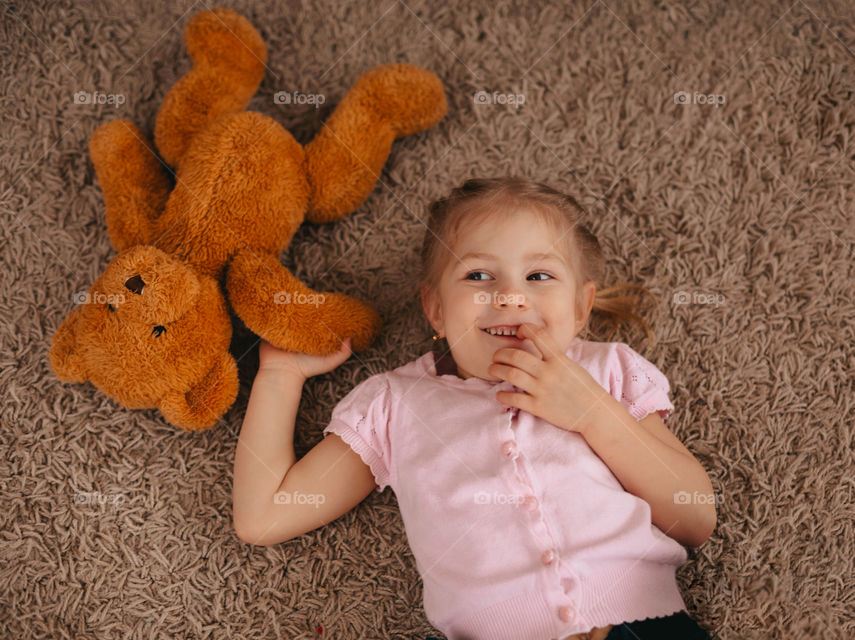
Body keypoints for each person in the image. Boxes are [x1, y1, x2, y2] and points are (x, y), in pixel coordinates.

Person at [233, 176, 716, 639]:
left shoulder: (606, 372)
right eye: (478, 275)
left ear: (579, 307)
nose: (510, 296)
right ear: (436, 309)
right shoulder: (393, 404)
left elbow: (694, 518)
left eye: (539, 275)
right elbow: (263, 516)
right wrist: (280, 376)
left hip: (642, 624)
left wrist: (594, 413)